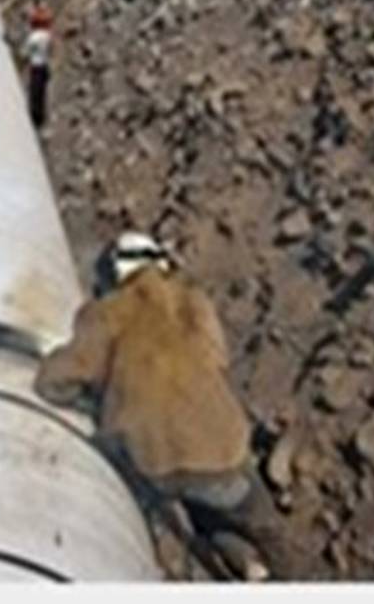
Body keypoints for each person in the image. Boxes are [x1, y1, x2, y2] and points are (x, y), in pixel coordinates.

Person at [34, 231, 319, 580]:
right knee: (261, 524)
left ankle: (243, 567)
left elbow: (52, 381)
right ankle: (284, 578)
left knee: (198, 517)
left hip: (155, 465)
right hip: (220, 454)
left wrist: (97, 399)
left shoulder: (102, 315)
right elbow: (218, 358)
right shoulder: (190, 301)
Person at [22, 3, 53, 128]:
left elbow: (25, 52)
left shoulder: (34, 37)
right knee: (41, 94)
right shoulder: (48, 36)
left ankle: (34, 117)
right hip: (44, 67)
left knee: (34, 93)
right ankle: (40, 118)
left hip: (35, 67)